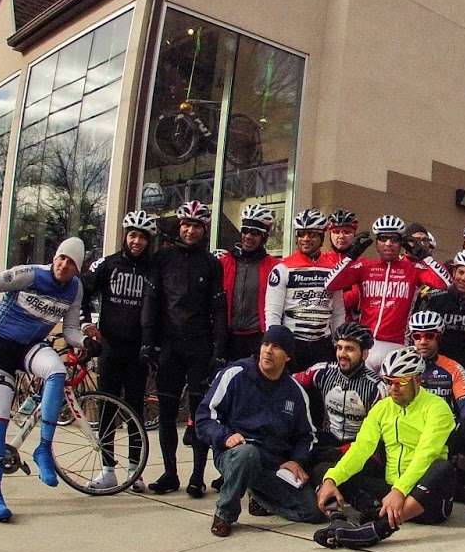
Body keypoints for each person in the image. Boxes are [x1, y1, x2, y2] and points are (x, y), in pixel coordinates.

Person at [0, 239, 89, 523]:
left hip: (30, 345)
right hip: (2, 344)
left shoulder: (75, 289)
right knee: (1, 417)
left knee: (56, 371)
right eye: (62, 259)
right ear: (55, 257)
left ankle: (44, 449)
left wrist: (87, 342)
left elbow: (70, 330)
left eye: (71, 264)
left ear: (77, 270)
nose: (64, 266)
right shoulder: (30, 274)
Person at [312, 347, 459, 549]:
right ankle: (338, 520)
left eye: (401, 383)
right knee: (325, 471)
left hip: (426, 499)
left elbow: (426, 454)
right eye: (389, 382)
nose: (393, 389)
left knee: (442, 466)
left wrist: (400, 491)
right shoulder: (383, 407)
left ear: (418, 379)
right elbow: (361, 448)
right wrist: (331, 479)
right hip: (391, 491)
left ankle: (377, 529)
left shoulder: (437, 408)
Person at [197, 325, 324, 537]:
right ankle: (225, 513)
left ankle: (258, 494)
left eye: (276, 347)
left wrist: (297, 460)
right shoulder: (235, 375)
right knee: (248, 455)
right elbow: (203, 418)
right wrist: (225, 436)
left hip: (273, 464)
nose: (268, 350)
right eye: (266, 344)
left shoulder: (295, 392)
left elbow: (307, 436)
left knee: (313, 512)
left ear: (288, 357)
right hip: (237, 454)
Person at [141, 200, 227, 498]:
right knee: (166, 413)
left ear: (204, 230)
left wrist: (219, 347)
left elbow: (218, 308)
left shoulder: (212, 264)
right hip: (169, 345)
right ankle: (169, 473)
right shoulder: (162, 259)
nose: (191, 231)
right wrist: (147, 341)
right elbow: (151, 303)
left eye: (197, 226)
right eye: (186, 225)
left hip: (200, 346)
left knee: (200, 414)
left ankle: (197, 477)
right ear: (180, 227)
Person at [81, 210, 158, 491]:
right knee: (106, 408)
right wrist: (87, 325)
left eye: (143, 237)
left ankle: (135, 471)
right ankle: (107, 469)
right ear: (126, 236)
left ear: (149, 241)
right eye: (133, 235)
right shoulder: (108, 264)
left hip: (138, 350)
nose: (137, 241)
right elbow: (82, 293)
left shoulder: (152, 269)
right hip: (110, 348)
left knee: (135, 410)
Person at [335, 213, 451, 370]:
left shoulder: (413, 269)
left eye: (394, 239)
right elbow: (331, 283)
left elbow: (446, 284)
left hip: (397, 345)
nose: (388, 243)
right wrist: (351, 256)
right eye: (383, 239)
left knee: (394, 393)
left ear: (401, 243)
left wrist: (425, 256)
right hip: (365, 343)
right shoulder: (365, 267)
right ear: (376, 243)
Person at [408, 308, 465, 497]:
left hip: (444, 427)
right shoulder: (401, 363)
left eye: (429, 335)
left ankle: (461, 478)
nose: (422, 341)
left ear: (438, 337)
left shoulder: (453, 367)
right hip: (410, 426)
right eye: (417, 336)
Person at [265, 209, 357, 373]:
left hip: (323, 344)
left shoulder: (333, 270)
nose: (306, 239)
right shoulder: (283, 268)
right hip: (293, 343)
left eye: (312, 235)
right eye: (301, 234)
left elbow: (337, 312)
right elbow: (272, 313)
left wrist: (339, 344)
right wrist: (276, 344)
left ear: (322, 237)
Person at [294, 321, 384, 490]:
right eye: (339, 348)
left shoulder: (377, 387)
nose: (342, 354)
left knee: (323, 471)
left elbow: (380, 436)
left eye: (349, 349)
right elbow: (288, 385)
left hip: (360, 450)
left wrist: (346, 451)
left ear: (364, 354)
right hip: (327, 443)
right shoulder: (322, 371)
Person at [218, 203, 280, 360]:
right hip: (228, 336)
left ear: (264, 237)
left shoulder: (275, 266)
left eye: (255, 233)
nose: (248, 237)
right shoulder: (224, 262)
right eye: (245, 231)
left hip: (258, 337)